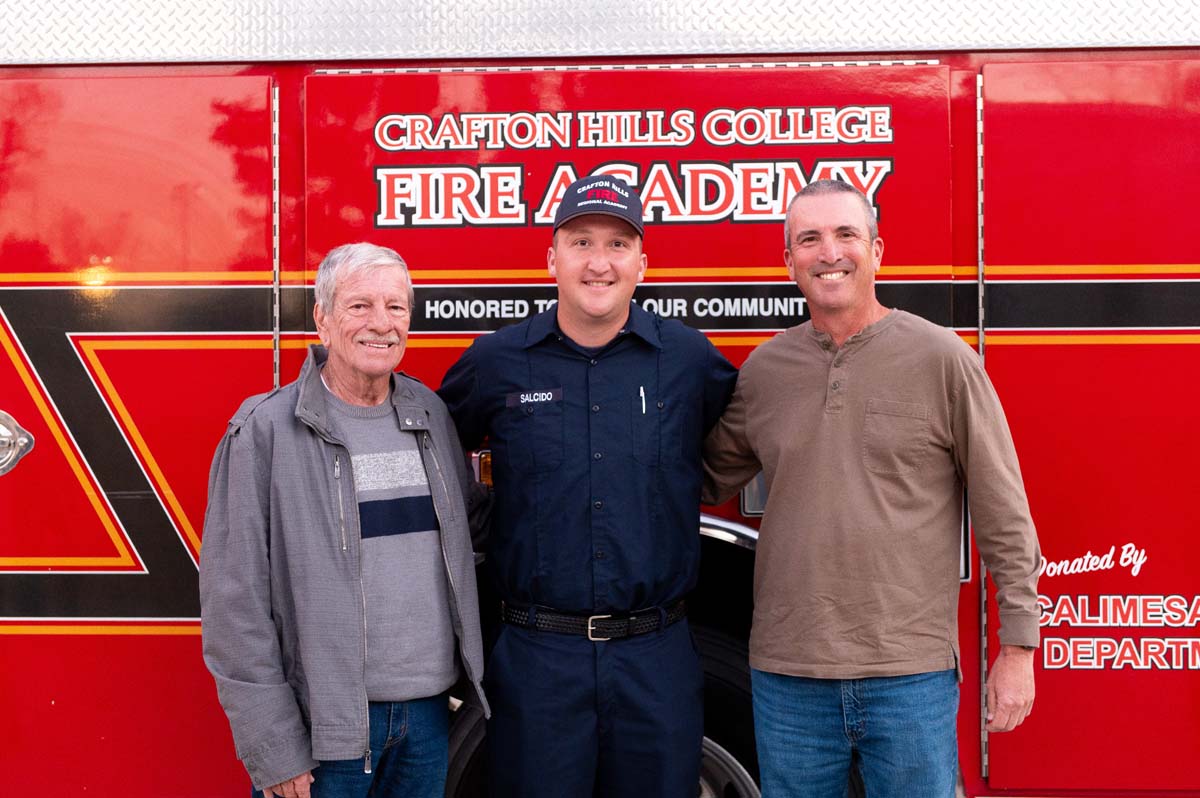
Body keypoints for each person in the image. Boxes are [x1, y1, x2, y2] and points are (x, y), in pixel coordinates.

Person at [702, 179, 1041, 797]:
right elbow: (699, 479)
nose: (828, 252)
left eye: (845, 234)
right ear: (789, 261)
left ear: (877, 250)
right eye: (809, 238)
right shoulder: (765, 372)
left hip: (908, 674)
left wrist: (1018, 646)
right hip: (789, 676)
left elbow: (1003, 510)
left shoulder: (942, 359)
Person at [437, 175, 737, 798]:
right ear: (552, 258)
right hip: (539, 658)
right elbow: (430, 446)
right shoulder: (496, 361)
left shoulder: (686, 360)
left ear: (642, 263)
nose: (599, 262)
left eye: (618, 245)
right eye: (580, 242)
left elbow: (741, 433)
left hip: (656, 657)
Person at [200, 243, 488, 798]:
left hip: (426, 723)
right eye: (359, 306)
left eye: (396, 307)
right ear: (323, 319)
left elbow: (470, 539)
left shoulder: (430, 415)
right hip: (324, 732)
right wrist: (275, 746)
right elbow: (234, 603)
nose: (381, 324)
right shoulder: (264, 431)